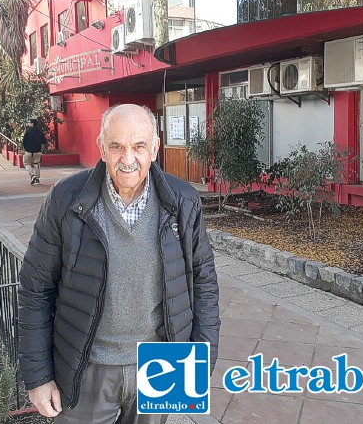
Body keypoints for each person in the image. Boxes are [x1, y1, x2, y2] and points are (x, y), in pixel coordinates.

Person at [18, 104, 220, 423]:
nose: (128, 159)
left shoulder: (183, 201)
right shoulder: (66, 199)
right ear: (101, 148)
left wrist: (200, 362)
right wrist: (38, 377)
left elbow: (204, 284)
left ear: (154, 147)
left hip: (163, 365)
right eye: (117, 146)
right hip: (86, 368)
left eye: (139, 146)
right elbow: (35, 289)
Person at [22, 118, 47, 185]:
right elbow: (44, 141)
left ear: (32, 124)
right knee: (37, 165)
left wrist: (24, 150)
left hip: (28, 151)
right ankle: (37, 179)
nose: (28, 124)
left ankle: (33, 175)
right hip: (37, 151)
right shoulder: (40, 132)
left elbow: (24, 142)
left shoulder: (27, 132)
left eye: (29, 122)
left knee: (26, 164)